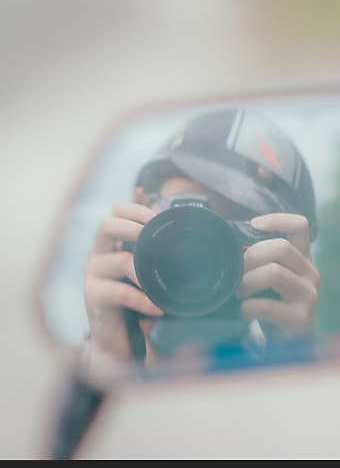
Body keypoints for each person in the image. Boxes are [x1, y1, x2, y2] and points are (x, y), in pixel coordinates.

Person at [83, 108, 320, 367]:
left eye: (236, 232)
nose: (200, 254)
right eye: (186, 218)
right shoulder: (76, 369)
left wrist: (292, 354)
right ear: (138, 208)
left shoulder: (281, 370)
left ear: (288, 261)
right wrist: (108, 362)